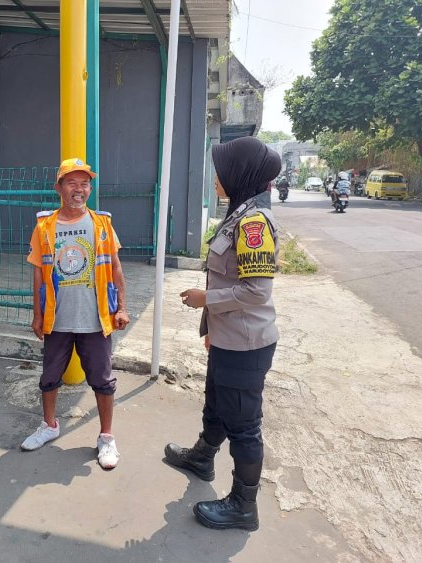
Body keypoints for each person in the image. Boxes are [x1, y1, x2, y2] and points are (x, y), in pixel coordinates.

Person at [164, 136, 280, 531]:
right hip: (228, 337)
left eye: (222, 171)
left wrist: (205, 299)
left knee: (244, 425)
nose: (216, 178)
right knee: (215, 401)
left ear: (240, 174)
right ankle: (202, 457)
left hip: (246, 343)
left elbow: (256, 291)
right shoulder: (238, 213)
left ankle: (243, 506)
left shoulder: (253, 224)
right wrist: (211, 326)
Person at [22, 157, 130, 469]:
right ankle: (49, 425)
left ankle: (106, 437)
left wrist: (121, 307)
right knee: (49, 376)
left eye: (84, 183)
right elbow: (39, 274)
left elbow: (115, 267)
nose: (79, 189)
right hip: (57, 318)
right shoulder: (45, 226)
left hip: (95, 318)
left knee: (102, 380)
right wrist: (37, 315)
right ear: (59, 188)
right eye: (72, 182)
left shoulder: (102, 224)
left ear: (90, 188)